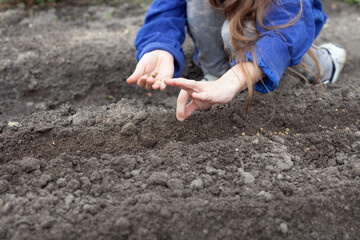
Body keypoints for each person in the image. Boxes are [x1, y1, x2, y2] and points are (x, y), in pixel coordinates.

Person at [126, 0, 347, 121]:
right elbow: (165, 12)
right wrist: (158, 48)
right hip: (227, 17)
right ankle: (215, 72)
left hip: (272, 27)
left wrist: (234, 79)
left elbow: (285, 34)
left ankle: (321, 64)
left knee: (242, 33)